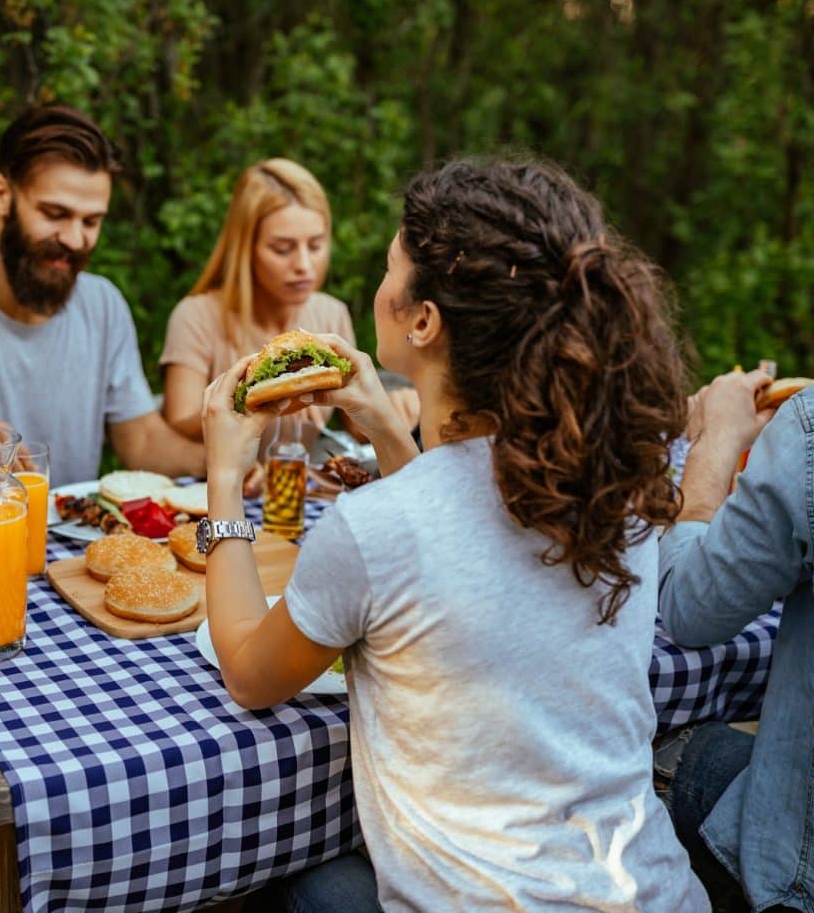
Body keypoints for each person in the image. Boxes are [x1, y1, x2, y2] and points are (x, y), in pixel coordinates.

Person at [200, 157, 708, 911]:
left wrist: (221, 474)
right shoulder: (618, 487)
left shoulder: (375, 529)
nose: (379, 285)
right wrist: (380, 420)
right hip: (656, 894)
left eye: (389, 267)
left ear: (423, 319)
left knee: (286, 885)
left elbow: (247, 672)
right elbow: (459, 516)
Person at [0, 105, 205, 503]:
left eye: (91, 222)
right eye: (54, 214)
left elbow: (143, 441)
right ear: (1, 195)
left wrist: (223, 462)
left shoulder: (104, 305)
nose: (75, 239)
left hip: (62, 555)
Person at [656, 368, 811, 912]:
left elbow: (690, 610)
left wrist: (714, 441)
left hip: (801, 873)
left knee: (661, 748)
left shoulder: (807, 425)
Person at [159, 158, 420, 442]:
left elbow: (355, 426)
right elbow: (178, 423)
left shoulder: (331, 313)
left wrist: (393, 409)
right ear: (245, 249)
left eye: (316, 245)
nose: (304, 265)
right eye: (283, 249)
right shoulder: (195, 315)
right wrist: (260, 398)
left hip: (299, 483)